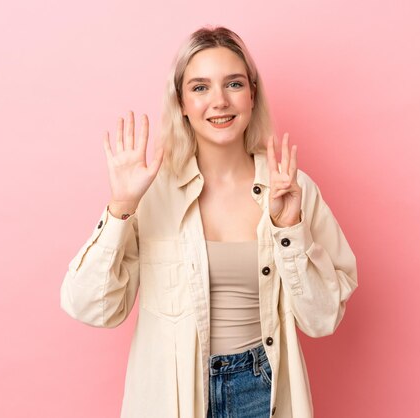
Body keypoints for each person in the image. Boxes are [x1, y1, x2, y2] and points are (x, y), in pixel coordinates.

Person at [60, 26, 358, 418]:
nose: (219, 101)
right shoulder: (149, 193)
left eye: (233, 84)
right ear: (181, 101)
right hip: (174, 396)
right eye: (200, 87)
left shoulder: (291, 187)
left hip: (261, 389)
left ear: (252, 94)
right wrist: (121, 207)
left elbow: (322, 319)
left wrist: (289, 230)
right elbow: (88, 306)